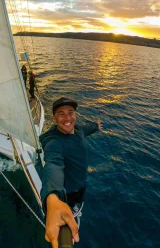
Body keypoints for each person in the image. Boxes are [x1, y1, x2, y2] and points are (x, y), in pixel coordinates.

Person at [39, 97, 103, 248]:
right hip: (67, 193)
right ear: (54, 118)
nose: (67, 118)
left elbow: (85, 130)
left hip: (80, 187)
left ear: (75, 115)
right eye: (61, 114)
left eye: (71, 112)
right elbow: (53, 165)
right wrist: (52, 198)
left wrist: (96, 126)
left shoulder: (78, 129)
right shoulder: (54, 142)